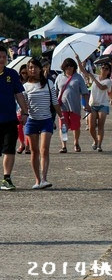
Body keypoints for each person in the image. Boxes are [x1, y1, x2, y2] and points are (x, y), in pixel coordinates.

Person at [23, 58, 61, 188]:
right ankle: (37, 180)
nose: (32, 70)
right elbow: (24, 106)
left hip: (46, 120)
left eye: (34, 67)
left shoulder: (49, 83)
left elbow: (55, 102)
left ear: (40, 68)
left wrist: (61, 116)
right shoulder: (25, 87)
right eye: (30, 67)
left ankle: (44, 178)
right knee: (34, 151)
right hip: (32, 121)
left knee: (44, 149)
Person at [0, 45, 30, 190]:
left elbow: (19, 95)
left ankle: (7, 178)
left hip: (9, 119)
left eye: (4, 57)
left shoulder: (11, 74)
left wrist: (25, 112)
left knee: (9, 149)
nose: (2, 60)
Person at [55, 58, 91, 153]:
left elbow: (85, 92)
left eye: (71, 66)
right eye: (67, 66)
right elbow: (55, 91)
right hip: (62, 106)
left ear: (74, 67)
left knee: (76, 126)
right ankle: (64, 145)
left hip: (75, 106)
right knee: (63, 126)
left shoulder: (78, 77)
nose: (69, 68)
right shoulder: (59, 77)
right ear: (64, 67)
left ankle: (76, 142)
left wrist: (87, 104)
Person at [77, 57, 112, 152]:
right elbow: (82, 70)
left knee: (101, 125)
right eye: (103, 67)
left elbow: (101, 87)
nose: (104, 70)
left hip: (103, 104)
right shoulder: (95, 76)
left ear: (109, 71)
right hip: (92, 104)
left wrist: (93, 79)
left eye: (106, 69)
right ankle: (95, 140)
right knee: (91, 126)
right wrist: (78, 60)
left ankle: (99, 145)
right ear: (100, 68)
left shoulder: (109, 81)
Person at [16, 66, 30, 154]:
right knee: (19, 128)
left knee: (28, 128)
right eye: (22, 73)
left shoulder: (31, 83)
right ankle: (22, 144)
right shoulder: (17, 82)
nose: (24, 75)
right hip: (18, 108)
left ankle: (28, 146)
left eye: (26, 73)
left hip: (29, 109)